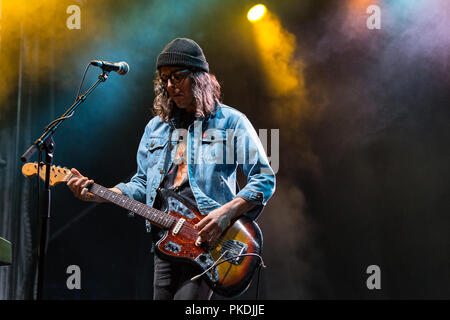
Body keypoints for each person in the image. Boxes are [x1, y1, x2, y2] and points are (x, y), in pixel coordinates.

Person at [67, 38, 276, 300]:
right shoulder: (155, 128)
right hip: (166, 242)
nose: (170, 85)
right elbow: (142, 185)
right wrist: (100, 193)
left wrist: (226, 212)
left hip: (209, 242)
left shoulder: (231, 122)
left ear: (199, 78)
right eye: (164, 79)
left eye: (177, 77)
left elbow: (264, 178)